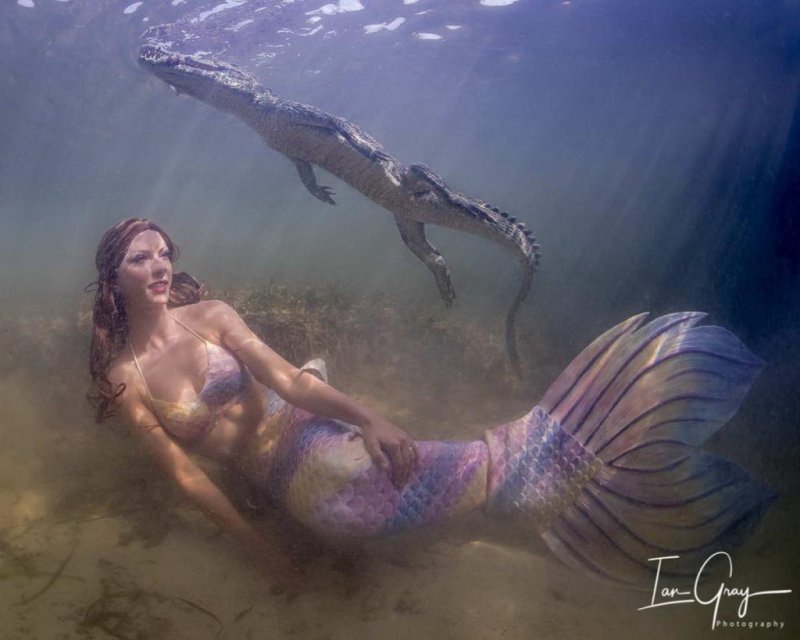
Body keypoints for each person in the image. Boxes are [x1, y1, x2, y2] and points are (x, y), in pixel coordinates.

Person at [88, 218, 774, 589]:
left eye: (162, 253)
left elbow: (288, 383)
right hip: (272, 477)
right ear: (112, 279)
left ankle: (535, 462)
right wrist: (259, 545)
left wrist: (371, 417)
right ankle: (532, 481)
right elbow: (185, 474)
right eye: (139, 260)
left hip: (301, 428)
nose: (158, 267)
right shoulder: (124, 378)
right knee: (341, 508)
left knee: (358, 484)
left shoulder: (211, 315)